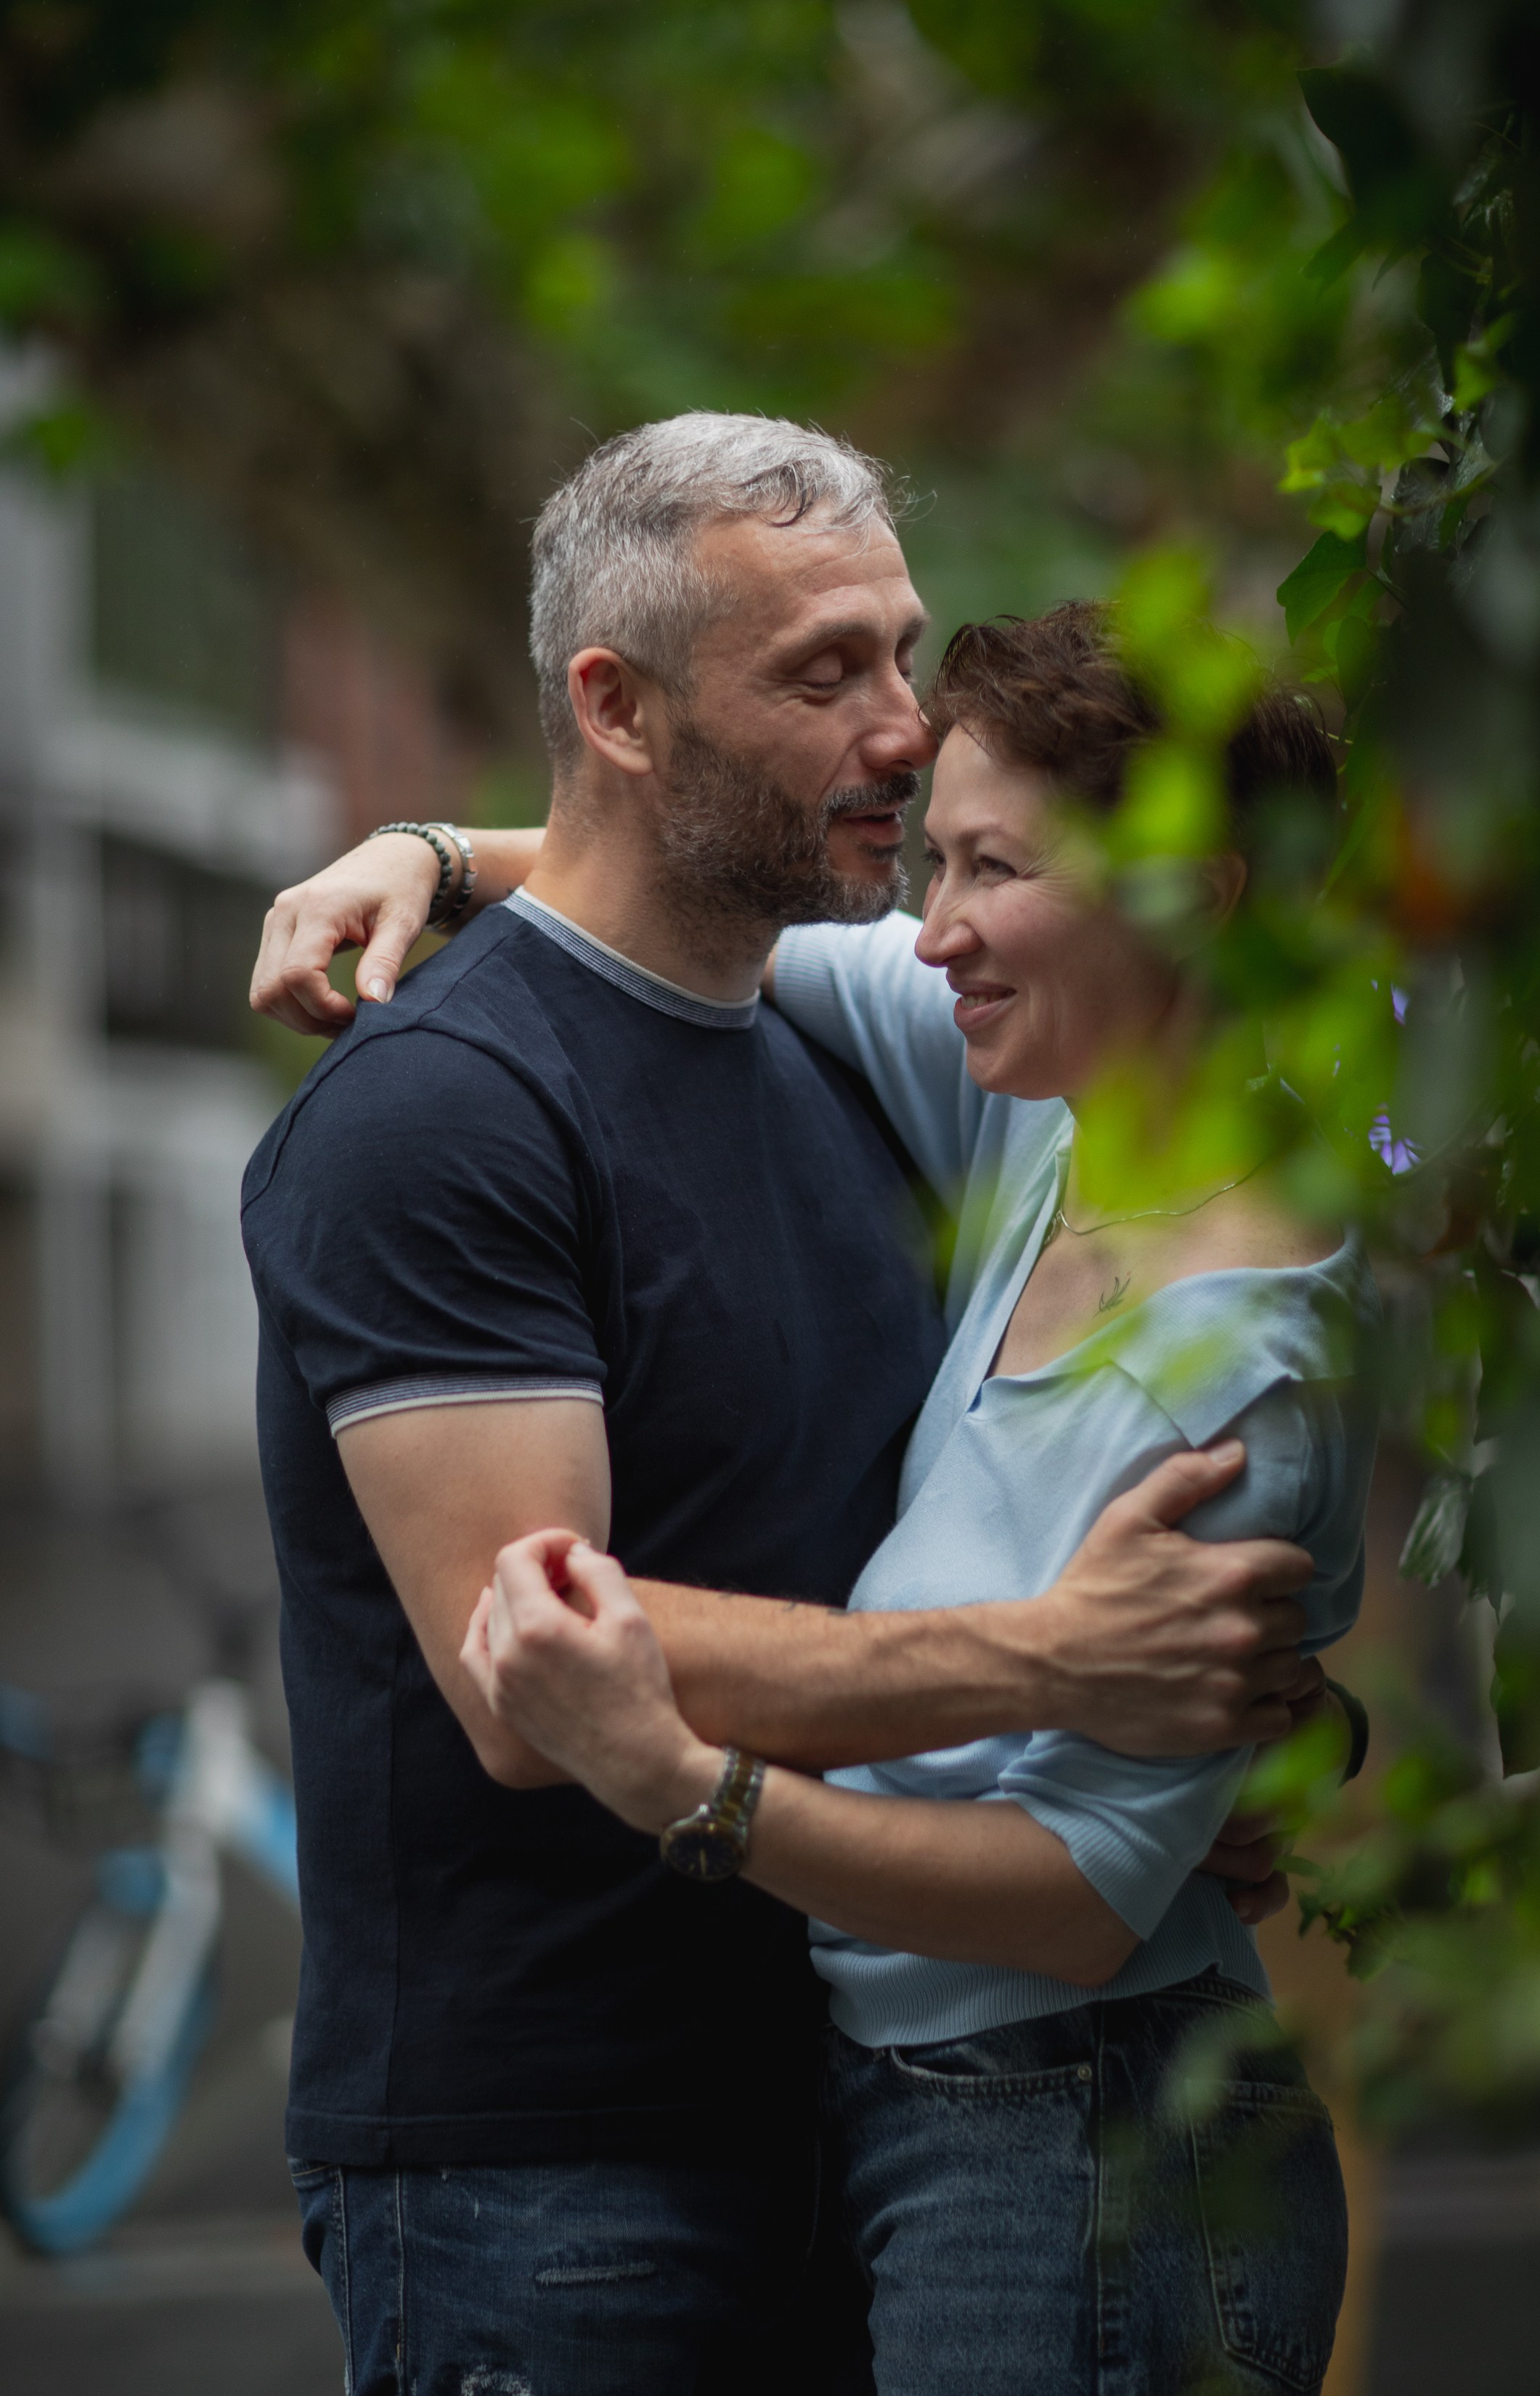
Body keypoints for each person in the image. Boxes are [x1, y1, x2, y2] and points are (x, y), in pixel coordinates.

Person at [245, 416, 1329, 2396]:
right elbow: (529, 1663)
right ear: (619, 707)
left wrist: (1225, 1765)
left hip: (860, 2122)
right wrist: (1056, 1664)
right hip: (551, 2178)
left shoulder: (900, 1060)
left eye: (904, 654)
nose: (907, 732)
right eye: (826, 670)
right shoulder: (440, 1114)